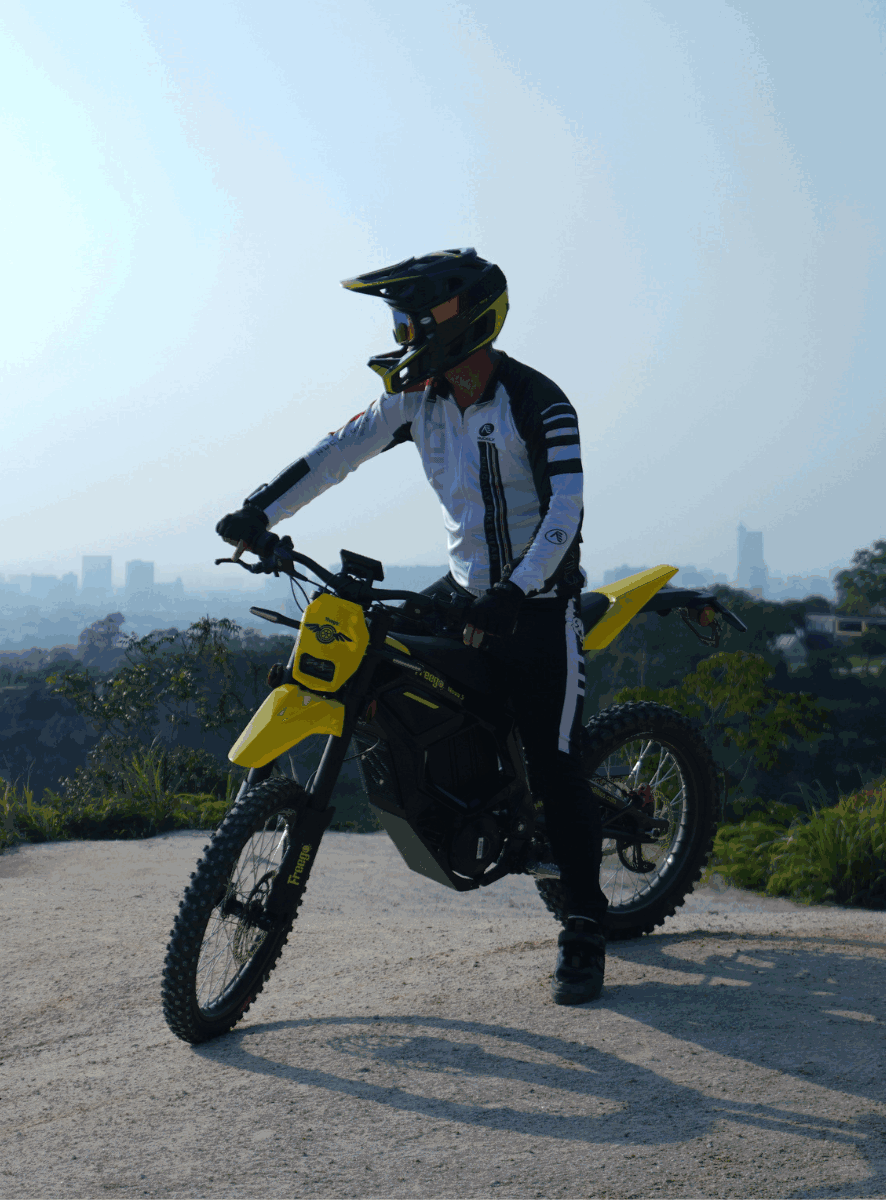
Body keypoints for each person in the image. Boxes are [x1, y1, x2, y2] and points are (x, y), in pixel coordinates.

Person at [216, 248, 605, 1004]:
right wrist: (259, 510)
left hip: (537, 609)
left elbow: (566, 511)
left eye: (410, 320)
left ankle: (585, 928)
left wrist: (520, 589)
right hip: (462, 595)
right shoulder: (418, 400)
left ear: (460, 322)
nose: (399, 335)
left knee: (556, 766)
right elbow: (336, 454)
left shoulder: (537, 401)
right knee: (384, 672)